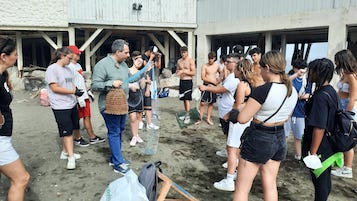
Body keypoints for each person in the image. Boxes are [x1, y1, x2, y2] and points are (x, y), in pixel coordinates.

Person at [232, 50, 297, 200]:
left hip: (260, 136)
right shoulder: (291, 90)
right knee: (270, 184)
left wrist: (236, 111)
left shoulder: (263, 90)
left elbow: (242, 118)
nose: (260, 72)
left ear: (267, 67)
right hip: (280, 137)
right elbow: (286, 116)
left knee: (242, 189)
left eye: (261, 68)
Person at [91, 39, 132, 175]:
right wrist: (110, 83)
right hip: (108, 105)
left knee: (120, 130)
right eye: (126, 52)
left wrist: (145, 71)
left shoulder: (124, 65)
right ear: (117, 52)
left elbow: (130, 79)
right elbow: (95, 85)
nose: (128, 55)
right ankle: (118, 164)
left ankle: (114, 158)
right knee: (114, 131)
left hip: (122, 104)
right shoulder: (102, 65)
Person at [213, 59, 253, 191]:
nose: (233, 71)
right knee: (238, 149)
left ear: (240, 70)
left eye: (236, 69)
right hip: (247, 120)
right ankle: (235, 173)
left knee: (231, 150)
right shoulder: (251, 84)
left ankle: (229, 180)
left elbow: (238, 105)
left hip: (238, 121)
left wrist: (227, 115)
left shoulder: (241, 85)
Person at [301, 58, 338, 201]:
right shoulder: (330, 91)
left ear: (318, 72)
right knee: (324, 180)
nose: (308, 73)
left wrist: (313, 153)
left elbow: (319, 126)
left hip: (321, 146)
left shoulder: (321, 96)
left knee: (320, 181)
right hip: (329, 143)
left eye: (311, 70)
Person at [0, 37, 30, 201]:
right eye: (15, 53)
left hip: (4, 136)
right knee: (21, 178)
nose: (17, 56)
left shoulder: (2, 75)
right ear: (4, 56)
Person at [45, 47, 84, 170]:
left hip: (71, 103)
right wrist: (72, 91)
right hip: (60, 105)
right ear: (61, 56)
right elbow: (54, 88)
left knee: (71, 129)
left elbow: (71, 84)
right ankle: (71, 158)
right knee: (66, 132)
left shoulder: (68, 70)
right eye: (69, 58)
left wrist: (76, 93)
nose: (70, 60)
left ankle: (65, 152)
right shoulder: (52, 69)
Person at [67, 45, 105, 146]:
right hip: (76, 97)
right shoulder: (68, 67)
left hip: (84, 96)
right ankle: (77, 137)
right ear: (71, 54)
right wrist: (76, 96)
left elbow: (80, 80)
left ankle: (92, 137)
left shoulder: (78, 66)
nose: (79, 54)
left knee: (87, 116)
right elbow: (69, 83)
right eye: (77, 53)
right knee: (76, 119)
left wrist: (87, 91)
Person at [331, 49, 357, 179]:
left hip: (347, 108)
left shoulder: (352, 76)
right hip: (341, 105)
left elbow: (353, 97)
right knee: (341, 136)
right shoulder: (345, 73)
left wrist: (346, 114)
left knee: (347, 138)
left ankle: (348, 168)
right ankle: (342, 165)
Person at [284, 58, 311, 160]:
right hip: (288, 110)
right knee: (284, 134)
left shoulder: (307, 80)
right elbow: (284, 82)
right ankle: (283, 153)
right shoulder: (290, 77)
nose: (300, 71)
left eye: (302, 69)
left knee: (299, 135)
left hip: (300, 111)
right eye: (298, 69)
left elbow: (308, 93)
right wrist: (296, 75)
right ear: (294, 68)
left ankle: (298, 155)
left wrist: (304, 96)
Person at [128, 51, 155, 146]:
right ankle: (134, 136)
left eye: (140, 61)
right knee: (132, 116)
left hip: (139, 95)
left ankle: (136, 135)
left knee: (139, 116)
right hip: (130, 96)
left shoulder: (141, 72)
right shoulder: (128, 71)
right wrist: (130, 86)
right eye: (137, 60)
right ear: (133, 60)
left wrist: (145, 79)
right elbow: (124, 82)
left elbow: (142, 85)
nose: (139, 62)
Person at [139, 46, 161, 130]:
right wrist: (151, 58)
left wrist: (159, 58)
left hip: (151, 80)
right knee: (142, 100)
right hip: (143, 81)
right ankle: (141, 120)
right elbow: (146, 68)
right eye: (153, 53)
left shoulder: (153, 57)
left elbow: (158, 66)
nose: (153, 55)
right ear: (149, 51)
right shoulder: (143, 57)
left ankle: (150, 117)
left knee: (151, 98)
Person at [196, 51, 220, 125]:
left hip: (213, 86)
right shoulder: (205, 66)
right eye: (209, 58)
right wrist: (212, 81)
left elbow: (221, 73)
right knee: (202, 103)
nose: (210, 60)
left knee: (211, 102)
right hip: (206, 85)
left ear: (214, 58)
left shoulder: (217, 66)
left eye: (211, 59)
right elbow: (202, 77)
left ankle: (208, 118)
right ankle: (200, 118)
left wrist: (218, 80)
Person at [176, 46, 196, 124]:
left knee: (187, 99)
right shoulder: (179, 61)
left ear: (187, 52)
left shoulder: (190, 61)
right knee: (183, 99)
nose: (183, 54)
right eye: (182, 52)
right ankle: (186, 114)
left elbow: (193, 72)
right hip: (182, 81)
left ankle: (188, 116)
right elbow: (177, 71)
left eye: (184, 52)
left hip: (188, 81)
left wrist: (184, 71)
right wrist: (178, 72)